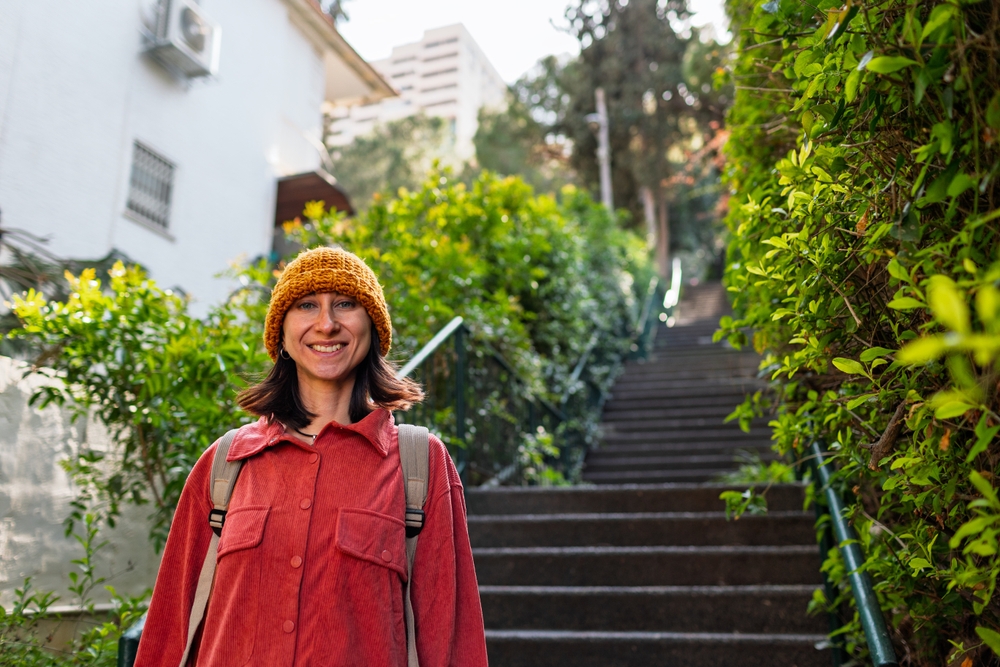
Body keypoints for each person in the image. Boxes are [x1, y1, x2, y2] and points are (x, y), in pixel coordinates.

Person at [135, 247, 489, 667]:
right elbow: (169, 631)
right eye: (306, 306)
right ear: (280, 334)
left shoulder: (420, 465)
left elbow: (451, 640)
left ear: (372, 328)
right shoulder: (225, 466)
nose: (326, 324)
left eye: (345, 304)